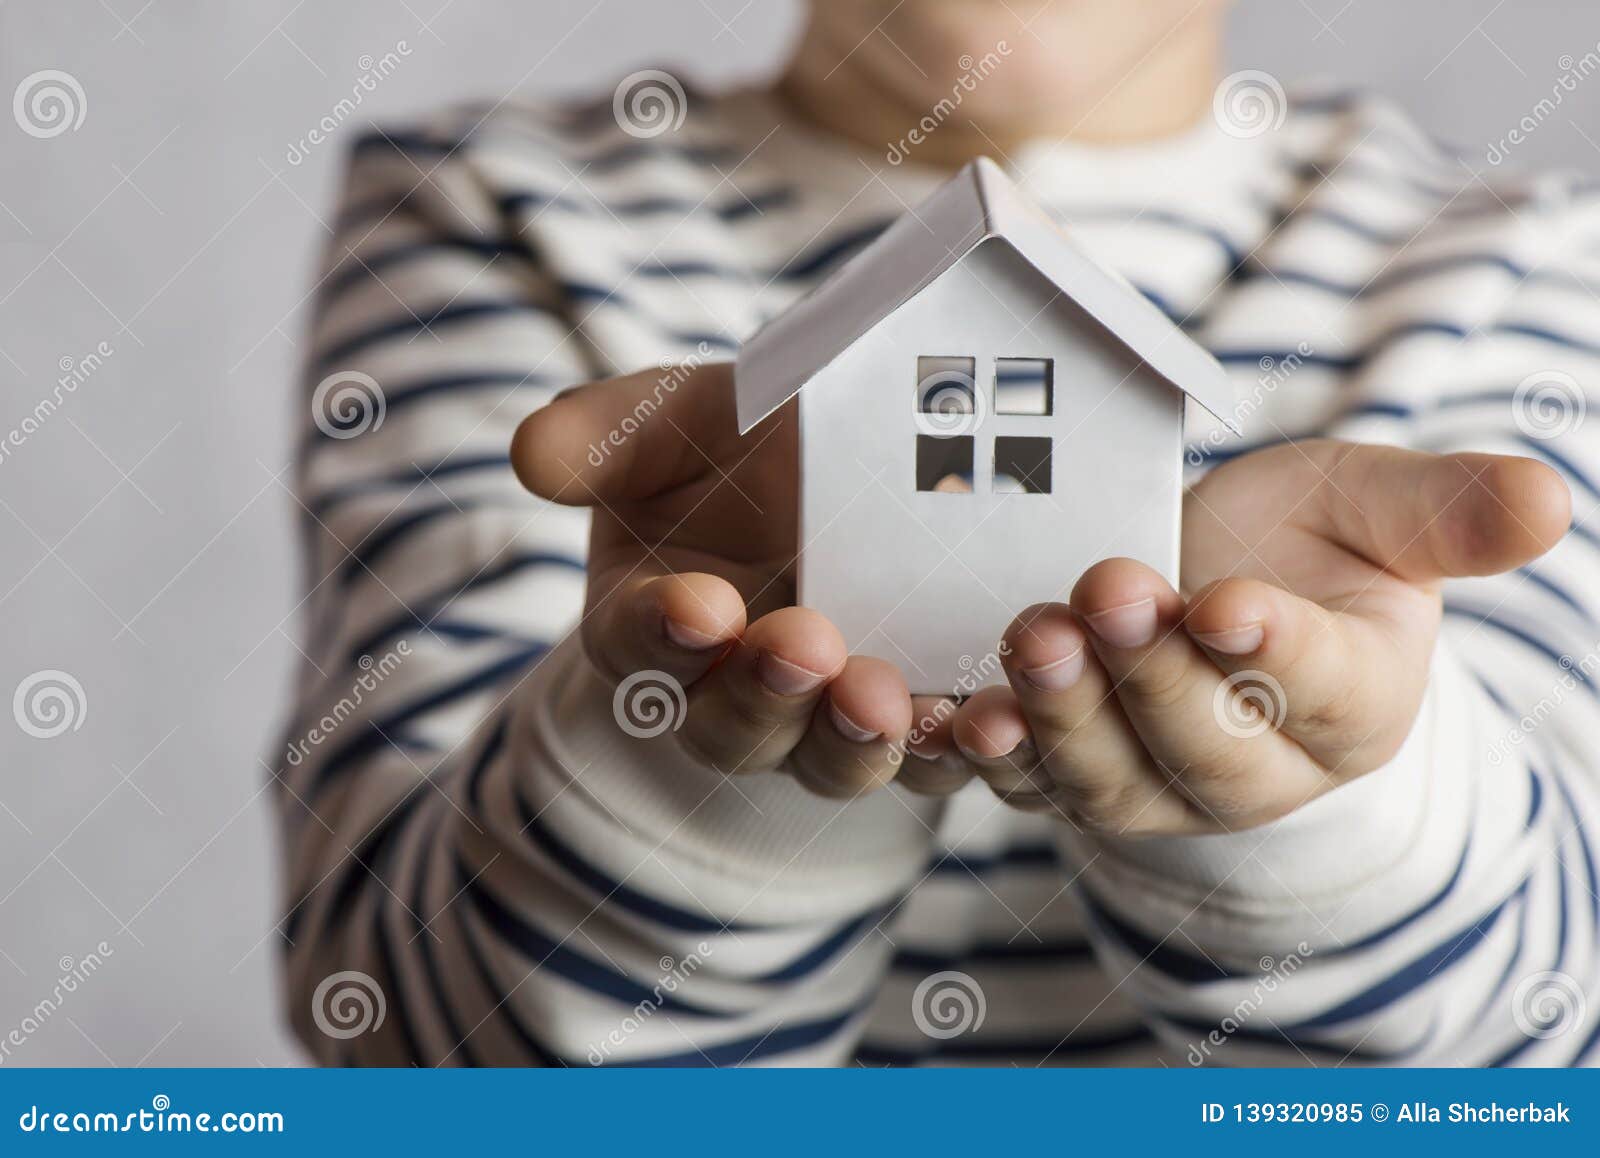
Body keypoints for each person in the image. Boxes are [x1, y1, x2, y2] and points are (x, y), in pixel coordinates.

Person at [277, 0, 1599, 1066]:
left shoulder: (1526, 266)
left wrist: (1322, 796)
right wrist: (695, 774)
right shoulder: (489, 215)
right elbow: (409, 1042)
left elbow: (1545, 1031)